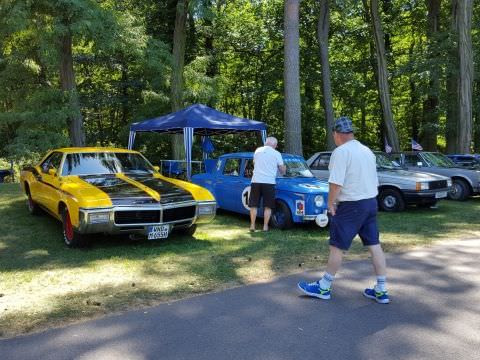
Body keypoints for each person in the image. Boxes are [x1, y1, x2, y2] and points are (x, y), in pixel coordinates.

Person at [297, 116, 389, 304]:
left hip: (352, 204)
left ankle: (323, 287)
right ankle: (381, 289)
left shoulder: (341, 152)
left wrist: (330, 204)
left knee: (337, 245)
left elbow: (336, 183)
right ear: (351, 133)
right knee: (374, 245)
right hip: (370, 202)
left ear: (336, 134)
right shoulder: (367, 151)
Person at [249, 137, 286, 232]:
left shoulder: (257, 150)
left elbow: (254, 163)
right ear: (274, 145)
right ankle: (265, 227)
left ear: (266, 143)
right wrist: (284, 168)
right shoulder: (277, 153)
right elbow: (282, 171)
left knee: (253, 205)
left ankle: (252, 225)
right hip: (269, 182)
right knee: (268, 206)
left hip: (256, 180)